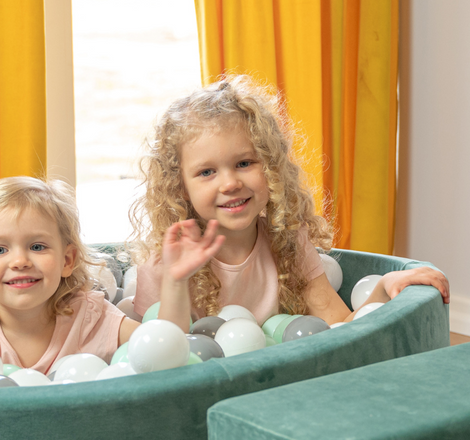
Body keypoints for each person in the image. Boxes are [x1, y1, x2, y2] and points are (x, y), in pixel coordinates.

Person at [129, 76, 449, 328]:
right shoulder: (165, 264)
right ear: (181, 187)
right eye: (207, 172)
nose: (230, 183)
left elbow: (339, 326)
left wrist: (385, 287)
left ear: (271, 166)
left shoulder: (288, 242)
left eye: (244, 163)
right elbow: (159, 357)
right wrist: (175, 282)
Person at [0, 176, 136, 373]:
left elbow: (155, 346)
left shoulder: (90, 320)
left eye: (37, 247)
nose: (19, 261)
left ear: (67, 260)